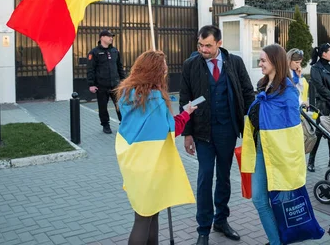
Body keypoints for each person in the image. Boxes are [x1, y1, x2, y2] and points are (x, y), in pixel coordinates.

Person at [179, 25, 255, 245]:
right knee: (204, 178)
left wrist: (252, 126)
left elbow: (247, 93)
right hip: (203, 132)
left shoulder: (235, 63)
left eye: (208, 45)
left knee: (223, 178)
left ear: (219, 44)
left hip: (227, 129)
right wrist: (187, 133)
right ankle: (203, 229)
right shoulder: (190, 65)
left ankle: (221, 220)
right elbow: (185, 100)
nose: (203, 49)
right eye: (200, 45)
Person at [114, 50, 197, 245]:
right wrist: (186, 114)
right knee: (144, 218)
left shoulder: (127, 93)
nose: (166, 74)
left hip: (133, 162)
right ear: (154, 72)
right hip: (151, 165)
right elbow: (171, 130)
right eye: (163, 71)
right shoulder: (155, 100)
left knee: (150, 212)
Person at [244, 44, 306, 245]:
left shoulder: (287, 92)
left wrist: (291, 162)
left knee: (280, 202)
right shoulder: (264, 85)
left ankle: (277, 241)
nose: (260, 63)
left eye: (263, 60)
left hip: (280, 154)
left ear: (275, 62)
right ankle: (276, 241)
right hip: (261, 151)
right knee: (259, 200)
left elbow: (293, 132)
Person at [307, 43, 330, 172]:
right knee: (318, 133)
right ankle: (311, 161)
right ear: (324, 53)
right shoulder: (315, 68)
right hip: (322, 106)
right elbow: (320, 88)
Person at [87, 29, 126, 134]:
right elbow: (91, 69)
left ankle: (124, 123)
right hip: (101, 85)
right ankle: (106, 125)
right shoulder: (94, 52)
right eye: (108, 36)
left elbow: (119, 67)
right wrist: (91, 84)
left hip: (115, 85)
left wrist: (124, 81)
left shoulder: (115, 51)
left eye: (111, 36)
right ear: (102, 38)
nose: (111, 38)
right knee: (103, 107)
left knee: (120, 106)